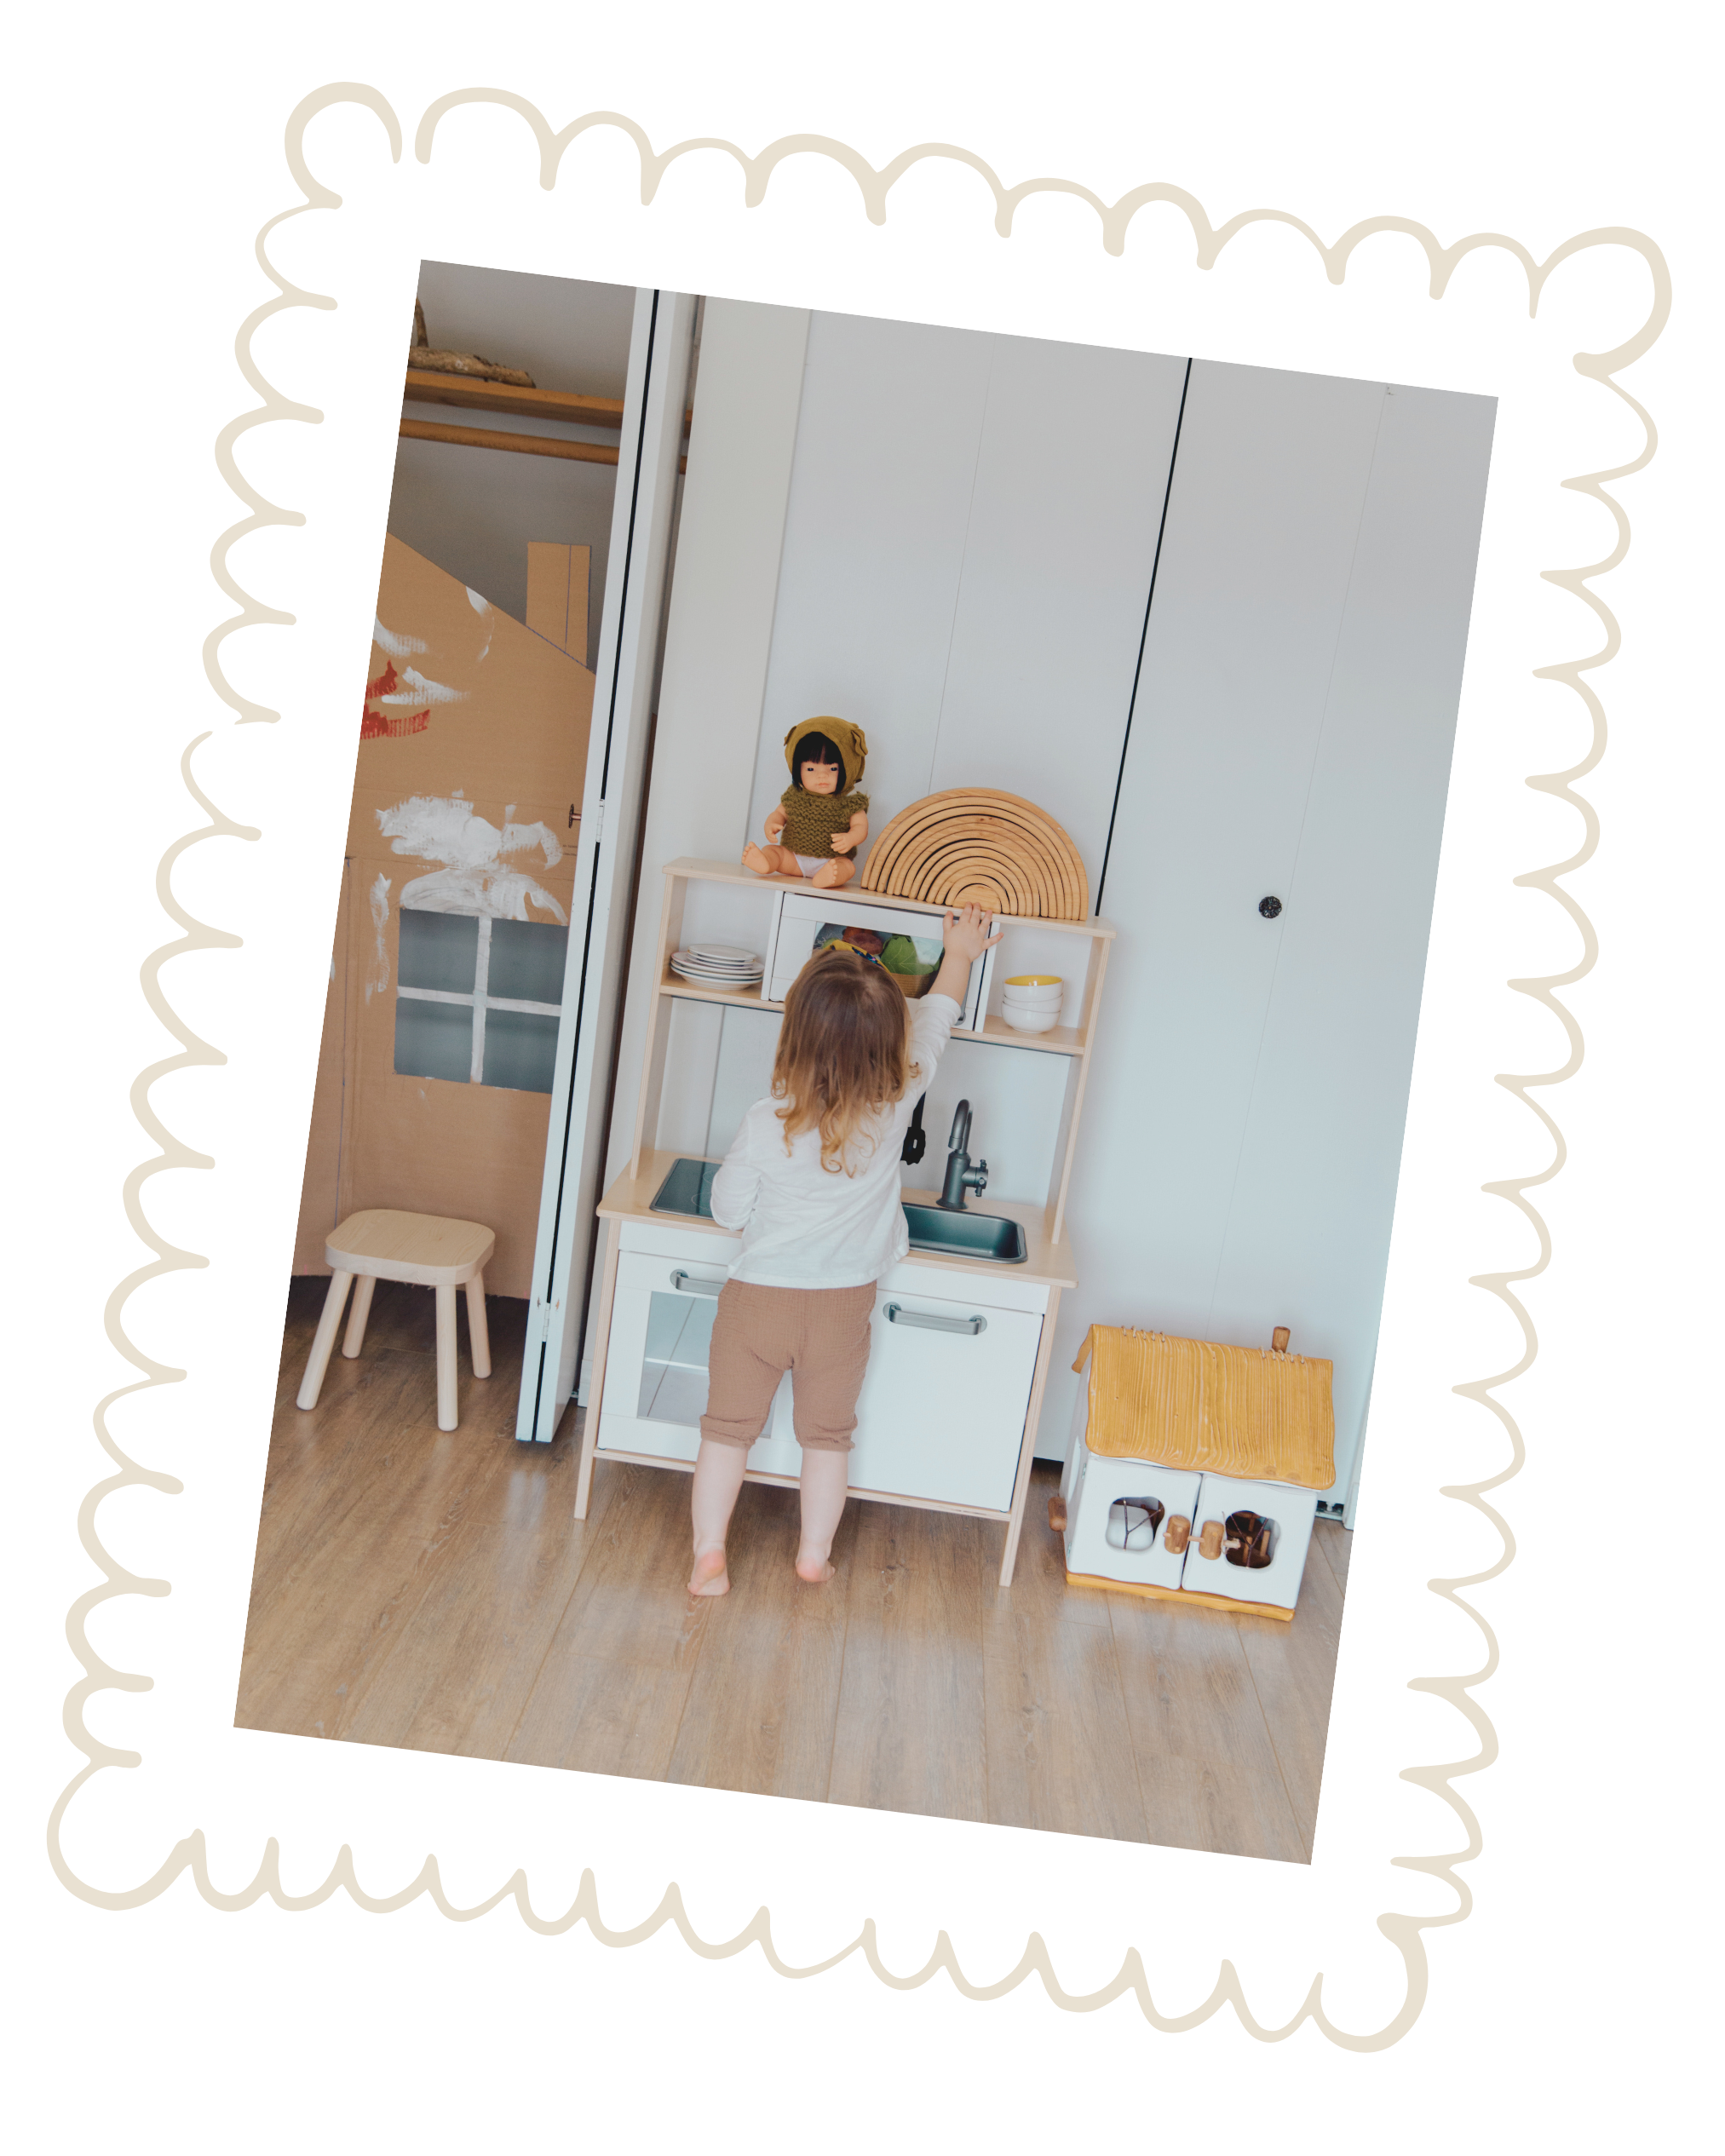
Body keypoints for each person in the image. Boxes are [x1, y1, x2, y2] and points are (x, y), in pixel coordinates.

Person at [687, 903, 1003, 1595]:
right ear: (889, 1044)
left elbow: (727, 1210)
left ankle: (709, 1554)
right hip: (840, 1307)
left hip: (757, 1301)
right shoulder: (896, 1100)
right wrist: (958, 952)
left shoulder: (766, 1120)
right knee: (827, 1438)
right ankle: (812, 1555)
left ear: (794, 1036)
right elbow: (936, 1019)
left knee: (726, 1432)